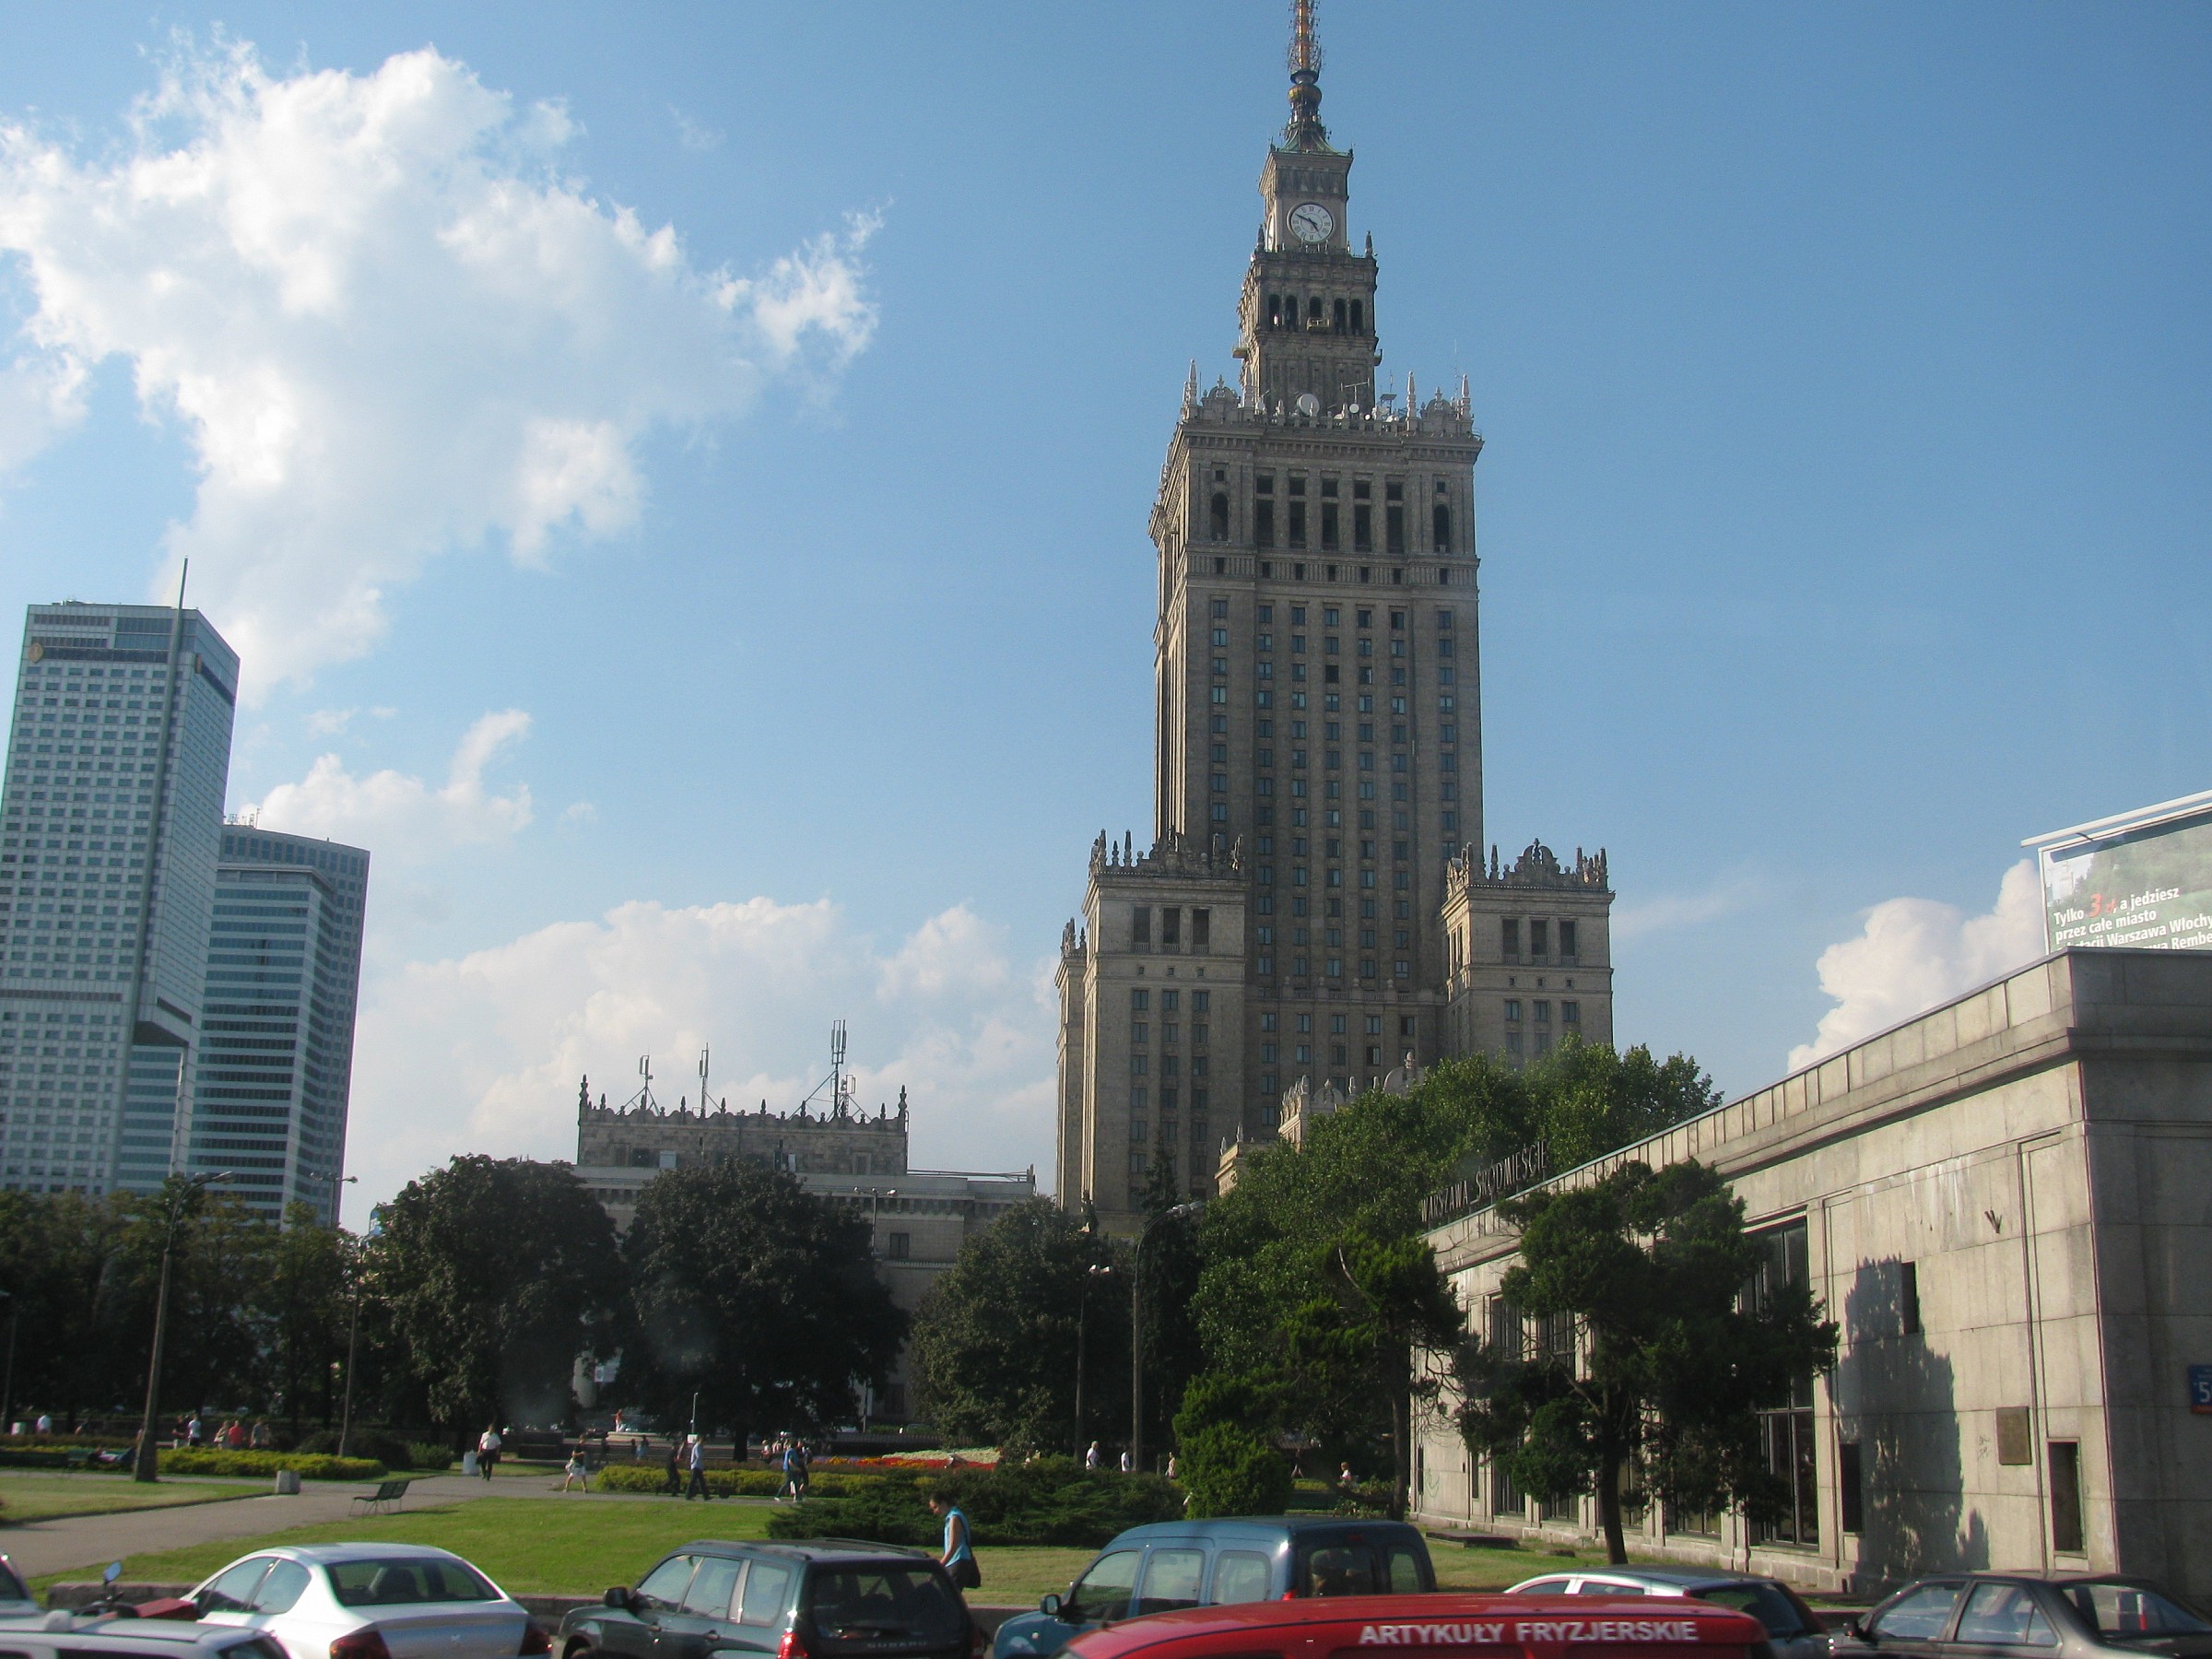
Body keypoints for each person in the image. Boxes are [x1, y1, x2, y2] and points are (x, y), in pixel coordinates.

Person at [927, 1486, 980, 1592]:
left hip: (958, 1561)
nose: (935, 1511)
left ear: (943, 1503)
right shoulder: (954, 1515)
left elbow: (953, 1547)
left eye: (935, 1507)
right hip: (958, 1561)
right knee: (950, 1597)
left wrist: (940, 1565)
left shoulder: (954, 1518)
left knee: (948, 1596)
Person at [685, 1434, 709, 1500]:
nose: (704, 1444)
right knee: (693, 1482)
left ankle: (706, 1496)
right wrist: (704, 1453)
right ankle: (688, 1495)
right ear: (701, 1441)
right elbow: (699, 1456)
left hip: (698, 1466)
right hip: (696, 1466)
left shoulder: (699, 1447)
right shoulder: (697, 1446)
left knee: (701, 1482)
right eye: (704, 1442)